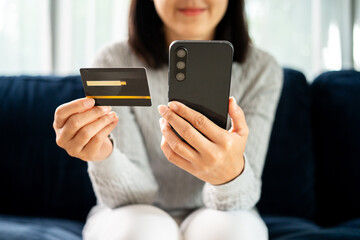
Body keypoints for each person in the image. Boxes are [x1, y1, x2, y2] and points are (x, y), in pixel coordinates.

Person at [53, 0, 283, 239]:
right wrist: (102, 154)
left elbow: (243, 197)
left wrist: (229, 175)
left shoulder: (261, 70)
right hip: (130, 213)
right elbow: (126, 198)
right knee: (144, 232)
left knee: (236, 232)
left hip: (222, 212)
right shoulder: (114, 60)